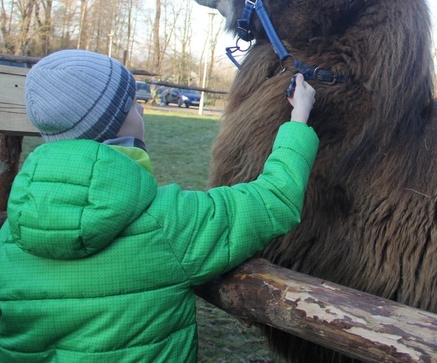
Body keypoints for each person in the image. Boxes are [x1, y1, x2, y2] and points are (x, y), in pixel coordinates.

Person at [0, 49, 318, 361]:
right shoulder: (167, 223)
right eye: (132, 104)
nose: (141, 109)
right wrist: (298, 120)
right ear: (118, 123)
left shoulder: (11, 233)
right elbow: (274, 199)